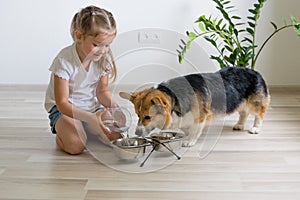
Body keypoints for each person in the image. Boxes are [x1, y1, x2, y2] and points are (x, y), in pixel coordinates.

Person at [44, 5, 122, 155]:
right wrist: (90, 118)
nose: (103, 50)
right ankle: (69, 133)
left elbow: (102, 91)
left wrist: (115, 108)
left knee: (116, 137)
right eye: (97, 45)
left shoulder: (102, 59)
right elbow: (62, 103)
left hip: (92, 108)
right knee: (76, 146)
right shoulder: (64, 60)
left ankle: (87, 128)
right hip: (65, 111)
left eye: (107, 45)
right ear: (79, 36)